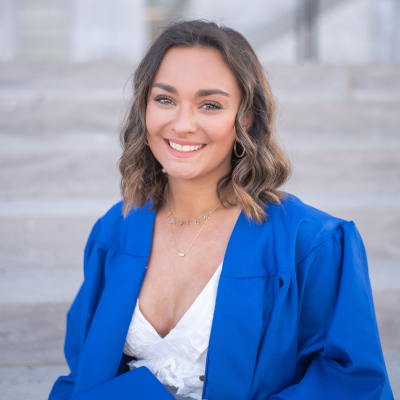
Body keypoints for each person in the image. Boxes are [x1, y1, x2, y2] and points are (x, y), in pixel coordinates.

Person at [49, 19, 393, 400]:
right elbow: (84, 373)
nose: (182, 124)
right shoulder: (115, 231)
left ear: (244, 118)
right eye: (164, 99)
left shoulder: (311, 243)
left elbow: (351, 382)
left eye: (210, 105)